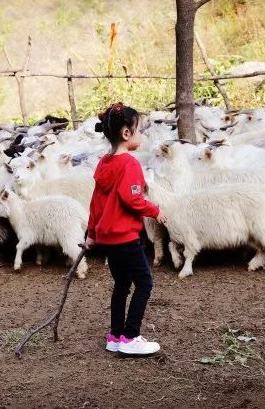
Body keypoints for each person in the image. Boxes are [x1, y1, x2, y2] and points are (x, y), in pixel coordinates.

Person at [85, 102, 167, 356]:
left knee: (122, 284)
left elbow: (96, 202)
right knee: (144, 283)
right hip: (124, 237)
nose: (142, 135)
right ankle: (131, 337)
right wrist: (154, 210)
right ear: (126, 133)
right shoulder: (129, 164)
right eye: (140, 130)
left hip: (108, 238)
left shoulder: (105, 163)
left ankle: (115, 335)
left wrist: (91, 234)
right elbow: (132, 199)